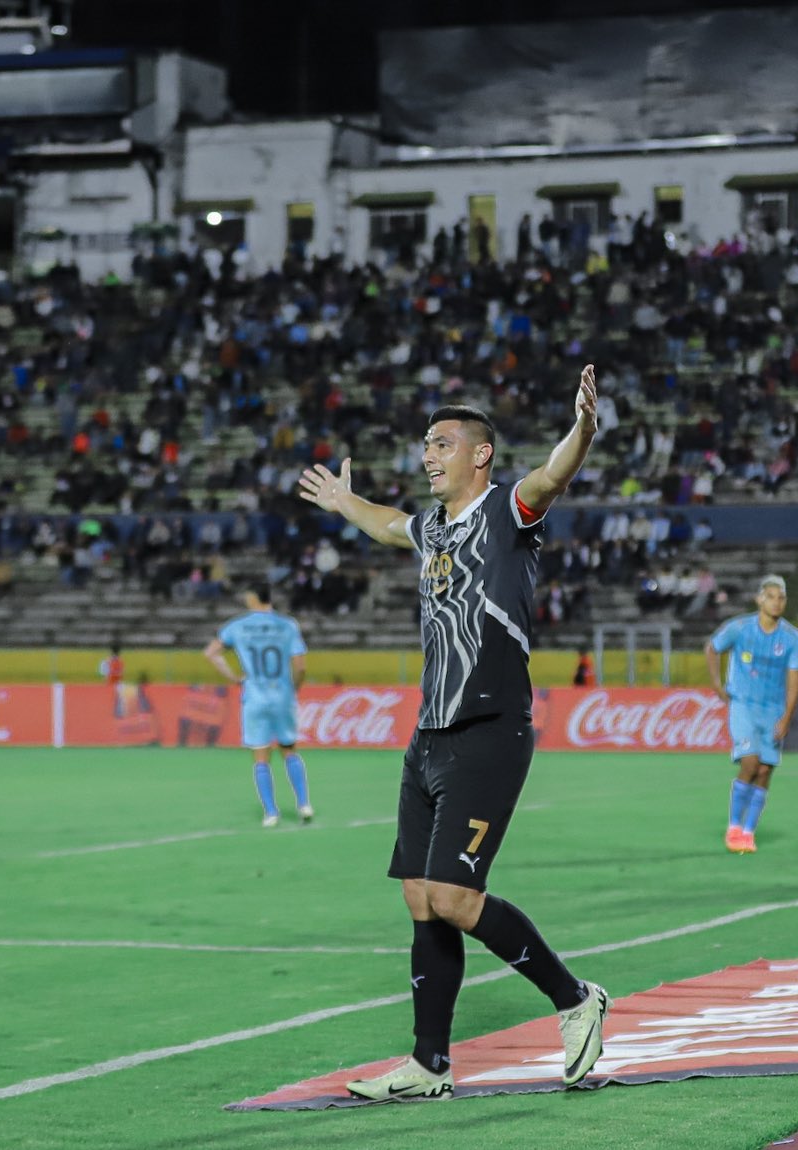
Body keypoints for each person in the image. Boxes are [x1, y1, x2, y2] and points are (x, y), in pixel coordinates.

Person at [299, 365, 611, 1103]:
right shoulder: (433, 528)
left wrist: (585, 430)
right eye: (423, 445)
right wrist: (347, 504)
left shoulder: (507, 510)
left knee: (454, 896)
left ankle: (576, 1001)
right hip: (429, 735)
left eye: (440, 444)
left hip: (489, 729)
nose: (426, 455)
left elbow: (552, 476)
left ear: (479, 455)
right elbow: (387, 523)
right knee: (418, 895)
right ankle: (430, 1064)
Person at [706, 575, 798, 855]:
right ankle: (734, 827)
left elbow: (795, 678)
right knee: (750, 763)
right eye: (771, 596)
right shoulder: (739, 628)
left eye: (781, 597)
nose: (776, 602)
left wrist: (787, 716)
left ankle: (749, 832)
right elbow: (712, 648)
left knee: (765, 771)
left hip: (773, 709)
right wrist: (716, 683)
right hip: (744, 706)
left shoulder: (792, 637)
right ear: (759, 599)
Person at [204, 584, 313, 827]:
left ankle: (271, 812)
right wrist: (293, 689)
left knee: (261, 757)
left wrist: (233, 677)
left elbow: (211, 653)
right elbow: (301, 666)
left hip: (254, 696)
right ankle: (304, 804)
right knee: (289, 750)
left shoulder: (237, 625)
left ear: (253, 599)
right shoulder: (287, 625)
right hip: (282, 694)